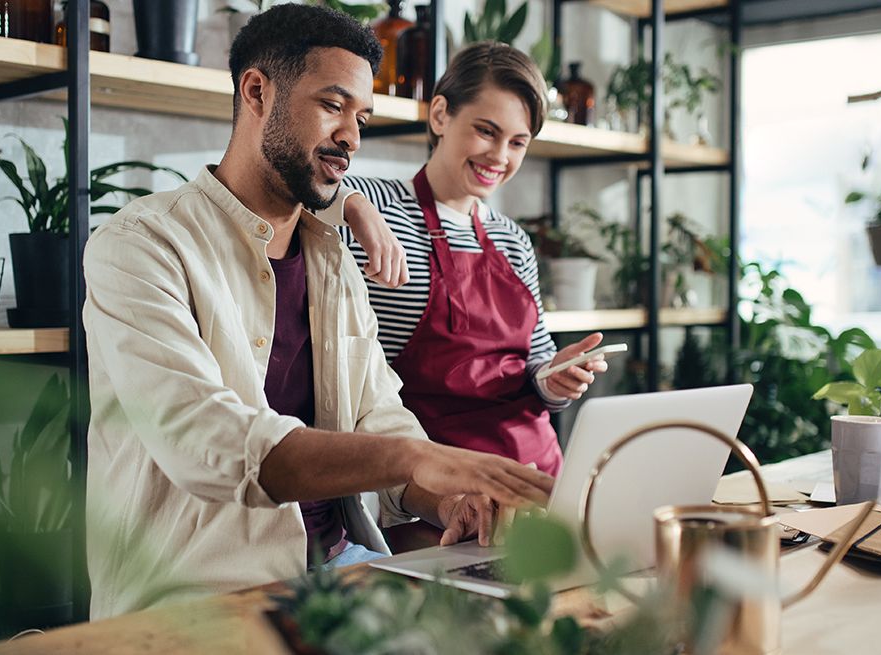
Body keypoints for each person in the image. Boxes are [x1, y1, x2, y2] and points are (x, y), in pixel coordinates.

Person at [81, 5, 553, 619]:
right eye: (333, 106)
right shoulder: (141, 246)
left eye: (361, 117)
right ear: (257, 91)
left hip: (340, 573)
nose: (353, 137)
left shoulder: (332, 257)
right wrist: (420, 457)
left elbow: (379, 416)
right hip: (199, 602)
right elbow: (206, 442)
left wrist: (446, 499)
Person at [324, 42, 608, 478]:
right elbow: (290, 195)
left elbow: (535, 363)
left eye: (518, 142)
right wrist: (355, 207)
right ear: (440, 115)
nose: (500, 157)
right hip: (433, 482)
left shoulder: (511, 238)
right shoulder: (374, 204)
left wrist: (556, 378)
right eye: (486, 131)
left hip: (537, 471)